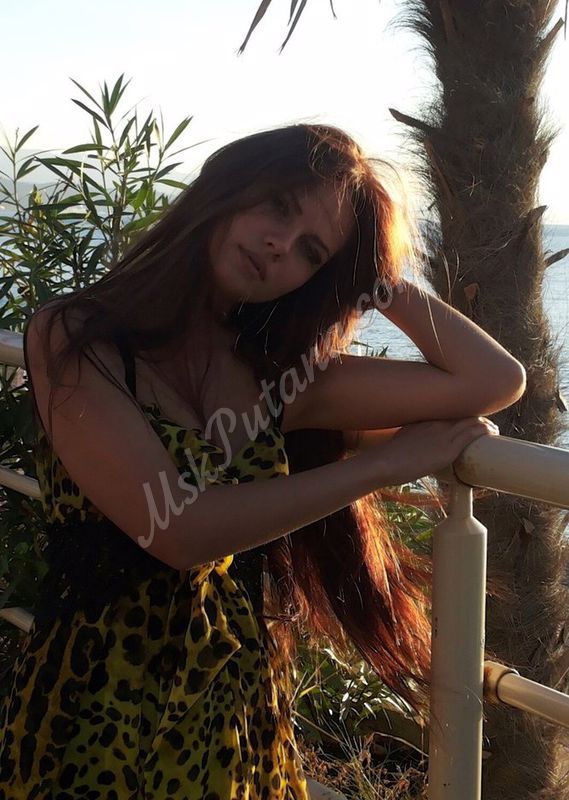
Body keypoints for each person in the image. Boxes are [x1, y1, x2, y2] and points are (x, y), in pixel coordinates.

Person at [0, 124, 525, 799]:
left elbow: (493, 379)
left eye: (311, 251)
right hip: (96, 707)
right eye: (278, 205)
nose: (281, 246)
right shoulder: (75, 334)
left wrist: (373, 277)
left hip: (235, 710)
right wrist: (382, 466)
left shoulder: (277, 374)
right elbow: (176, 529)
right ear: (228, 185)